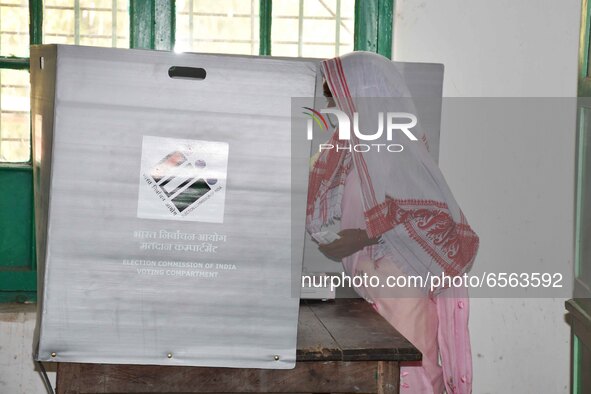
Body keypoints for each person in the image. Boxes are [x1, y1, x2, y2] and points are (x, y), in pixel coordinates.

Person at [307, 51, 479, 394]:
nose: (331, 103)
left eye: (336, 96)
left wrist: (362, 237)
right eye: (331, 96)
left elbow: (430, 216)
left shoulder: (398, 146)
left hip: (402, 284)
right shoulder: (345, 147)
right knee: (376, 379)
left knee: (407, 377)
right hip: (367, 283)